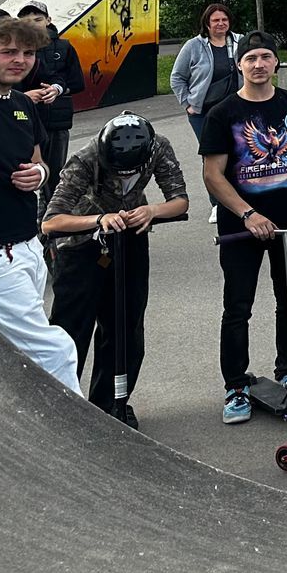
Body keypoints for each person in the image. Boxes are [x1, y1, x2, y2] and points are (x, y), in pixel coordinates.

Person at [200, 29, 287, 423]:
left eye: (265, 57)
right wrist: (248, 214)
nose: (258, 65)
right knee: (238, 306)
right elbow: (212, 174)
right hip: (243, 228)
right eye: (251, 58)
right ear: (239, 64)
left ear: (276, 62)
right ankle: (236, 385)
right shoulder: (222, 113)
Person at [0, 16, 78, 391]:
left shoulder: (22, 103)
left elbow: (39, 160)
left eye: (28, 53)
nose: (20, 60)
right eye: (8, 52)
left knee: (8, 360)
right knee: (54, 353)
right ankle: (76, 430)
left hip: (27, 249)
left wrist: (39, 174)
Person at [42, 114, 191, 423]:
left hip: (130, 236)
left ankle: (110, 403)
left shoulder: (158, 146)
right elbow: (51, 221)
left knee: (126, 325)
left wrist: (152, 210)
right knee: (71, 328)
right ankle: (63, 406)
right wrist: (100, 219)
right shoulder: (85, 158)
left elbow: (180, 200)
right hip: (80, 243)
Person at [15, 0, 84, 206]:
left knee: (54, 177)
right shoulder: (14, 49)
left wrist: (56, 90)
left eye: (38, 20)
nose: (33, 25)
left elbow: (77, 82)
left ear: (48, 20)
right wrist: (24, 96)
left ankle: (51, 218)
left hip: (56, 121)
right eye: (27, 21)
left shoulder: (64, 47)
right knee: (21, 175)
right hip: (22, 121)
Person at [170, 3, 243, 145]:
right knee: (212, 152)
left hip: (236, 110)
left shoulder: (240, 42)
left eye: (224, 19)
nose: (221, 23)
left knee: (238, 151)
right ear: (207, 24)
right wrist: (187, 104)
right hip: (203, 113)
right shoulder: (193, 46)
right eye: (216, 20)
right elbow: (177, 77)